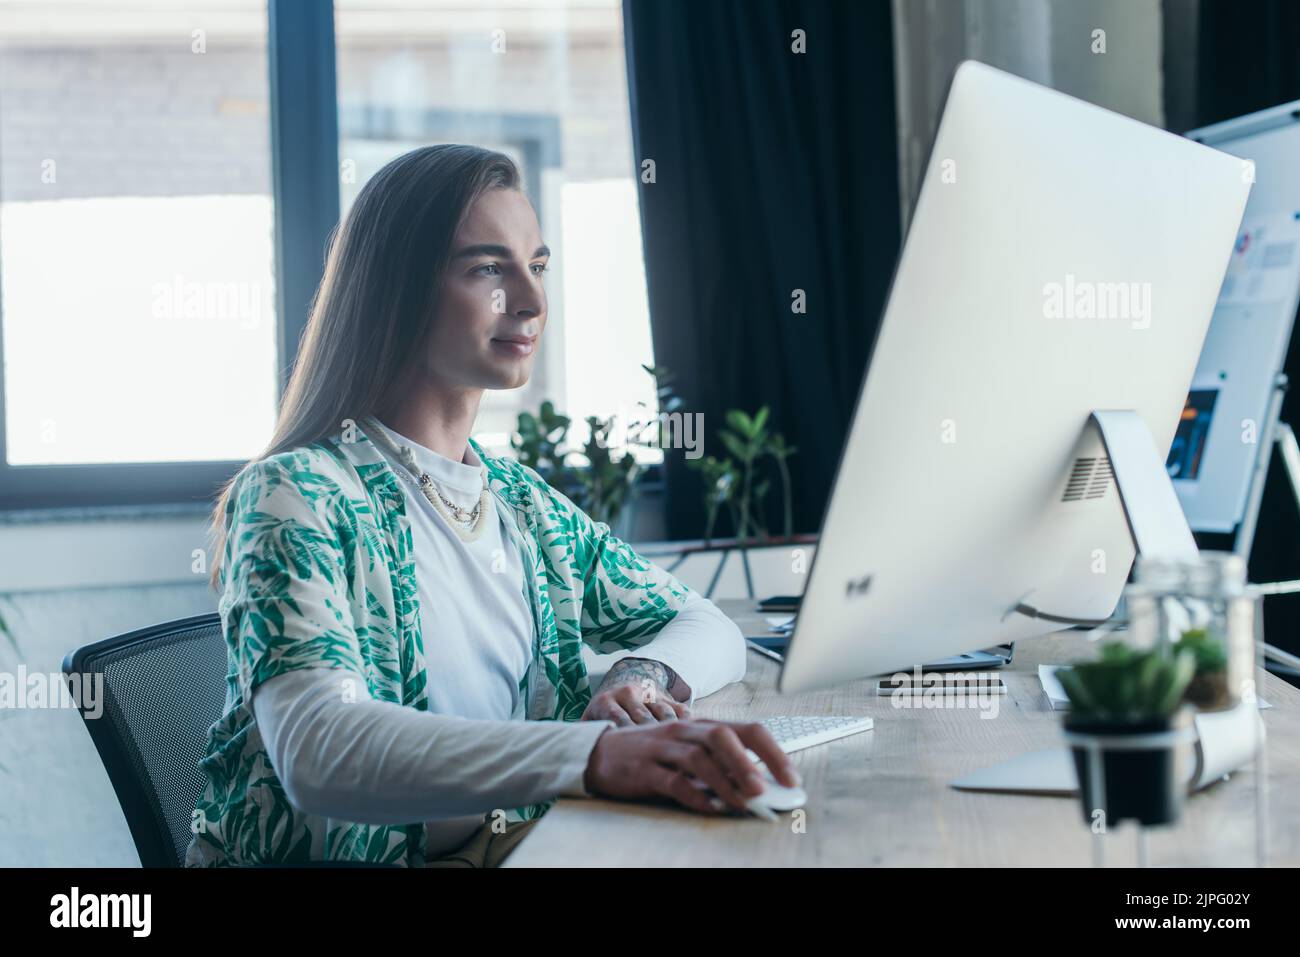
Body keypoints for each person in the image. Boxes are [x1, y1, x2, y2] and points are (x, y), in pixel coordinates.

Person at [185, 144, 798, 867]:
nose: (533, 302)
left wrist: (641, 678)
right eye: (488, 268)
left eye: (537, 266)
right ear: (397, 288)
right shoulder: (298, 495)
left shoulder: (519, 502)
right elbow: (321, 750)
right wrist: (592, 753)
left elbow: (705, 622)